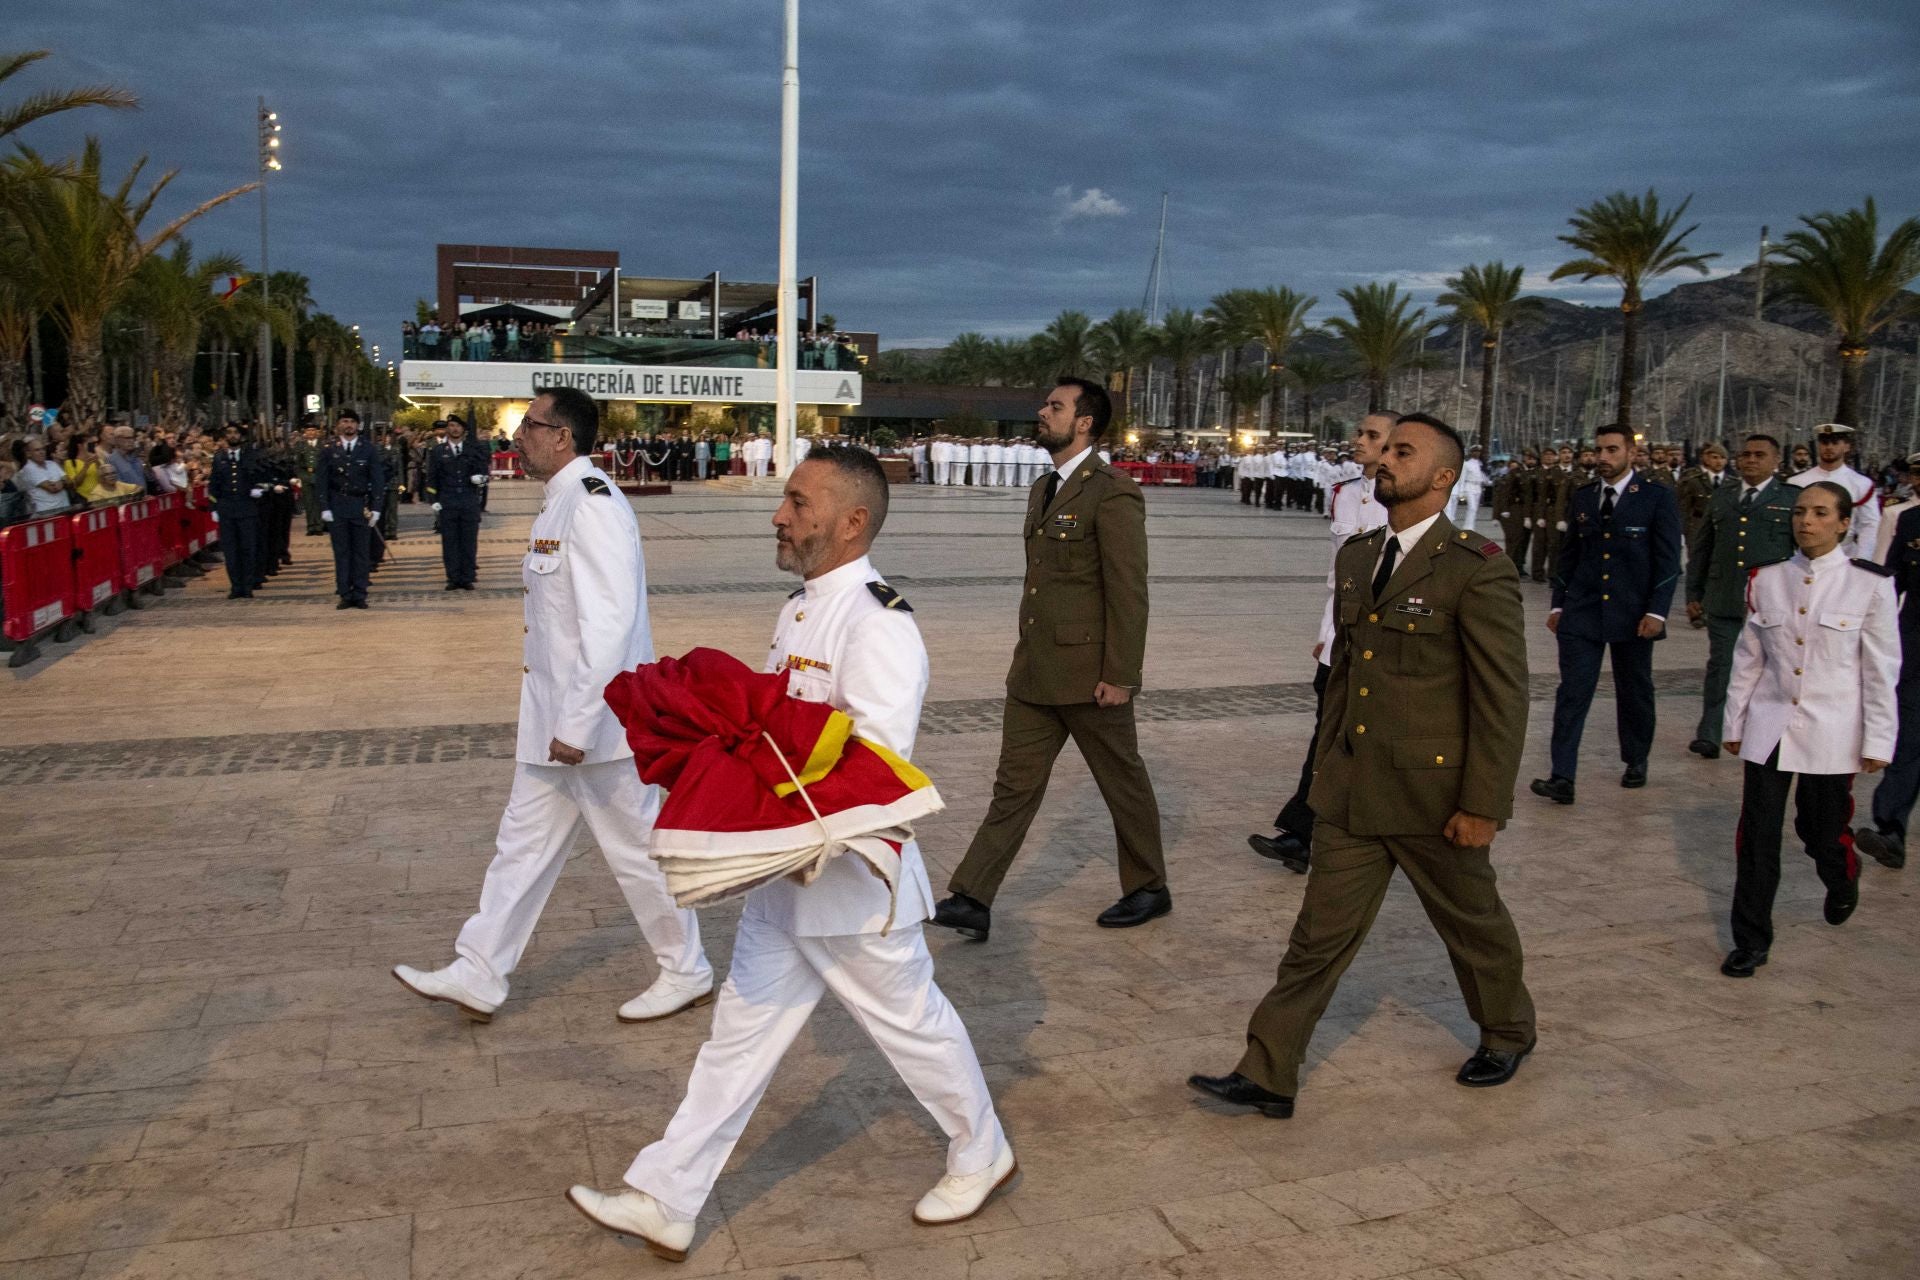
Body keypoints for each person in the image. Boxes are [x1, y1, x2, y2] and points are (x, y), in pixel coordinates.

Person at [568, 446, 1013, 1259]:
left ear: (851, 523)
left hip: (848, 890)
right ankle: (666, 1196)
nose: (781, 515)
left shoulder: (879, 622)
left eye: (800, 503)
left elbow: (874, 766)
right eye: (785, 500)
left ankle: (982, 1150)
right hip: (784, 883)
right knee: (736, 1038)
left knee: (914, 1028)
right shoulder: (803, 607)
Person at [1190, 413, 1536, 1118]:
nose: (1384, 459)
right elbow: (1345, 681)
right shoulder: (1358, 555)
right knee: (1315, 939)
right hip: (1352, 794)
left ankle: (1507, 1031)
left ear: (1443, 477)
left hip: (1433, 796)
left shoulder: (1475, 569)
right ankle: (1269, 1072)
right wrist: (1324, 775)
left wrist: (1484, 805)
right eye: (1384, 447)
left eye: (1403, 452)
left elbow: (1503, 699)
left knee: (1473, 925)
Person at [394, 387, 712, 1025]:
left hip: (596, 725)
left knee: (638, 851)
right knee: (522, 845)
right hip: (553, 720)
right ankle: (480, 969)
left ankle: (687, 969)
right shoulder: (559, 502)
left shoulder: (592, 506)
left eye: (530, 426)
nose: (519, 436)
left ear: (562, 435)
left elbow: (609, 625)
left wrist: (576, 724)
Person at [931, 377, 1168, 940]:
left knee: (1122, 783)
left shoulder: (1112, 492)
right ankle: (973, 896)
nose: (1042, 412)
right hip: (1036, 671)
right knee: (1013, 786)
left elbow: (1128, 590)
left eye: (1054, 406)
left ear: (1084, 422)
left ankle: (1149, 886)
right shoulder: (1044, 488)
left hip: (1091, 678)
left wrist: (1120, 675)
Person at [1719, 481, 1896, 977]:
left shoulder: (1870, 584)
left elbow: (1881, 671)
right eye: (1800, 512)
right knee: (1757, 837)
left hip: (1833, 731)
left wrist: (1879, 740)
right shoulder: (1767, 579)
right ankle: (1751, 940)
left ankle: (1842, 873)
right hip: (1770, 726)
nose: (1806, 521)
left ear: (1843, 523)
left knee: (1819, 829)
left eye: (1820, 513)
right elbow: (1748, 660)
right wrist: (1734, 722)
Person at [1248, 411, 1392, 874]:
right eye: (1360, 432)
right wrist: (1325, 635)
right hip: (1340, 640)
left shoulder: (1408, 500)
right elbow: (1340, 576)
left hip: (1383, 644)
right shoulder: (1346, 493)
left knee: (1366, 742)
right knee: (1326, 734)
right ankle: (1303, 835)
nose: (1359, 440)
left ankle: (1332, 835)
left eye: (1372, 435)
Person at [1530, 424, 1682, 804]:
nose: (1603, 458)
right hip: (1583, 611)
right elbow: (1569, 555)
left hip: (1634, 613)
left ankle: (1635, 759)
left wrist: (1657, 613)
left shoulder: (1655, 497)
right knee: (1572, 693)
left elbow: (1667, 562)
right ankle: (1562, 775)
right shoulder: (1584, 497)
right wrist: (1559, 603)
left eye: (1612, 450)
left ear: (1631, 453)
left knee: (1635, 692)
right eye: (1599, 450)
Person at [1684, 434, 1799, 760]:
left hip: (1773, 603)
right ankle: (1710, 733)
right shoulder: (1722, 497)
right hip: (1725, 597)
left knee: (1777, 668)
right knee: (1721, 666)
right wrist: (1694, 592)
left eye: (1759, 455)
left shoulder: (1791, 499)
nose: (1750, 460)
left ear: (1776, 461)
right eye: (1745, 454)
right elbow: (1702, 548)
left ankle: (1771, 732)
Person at [1857, 489, 1920, 871]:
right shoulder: (1911, 521)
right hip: (1915, 646)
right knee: (1908, 738)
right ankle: (1891, 831)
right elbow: (1890, 584)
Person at [316, 409, 385, 610]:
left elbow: (377, 480)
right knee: (342, 552)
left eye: (352, 422)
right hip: (337, 505)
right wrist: (324, 507)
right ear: (338, 425)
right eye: (344, 421)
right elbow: (322, 480)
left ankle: (360, 593)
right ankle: (345, 593)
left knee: (361, 553)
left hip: (359, 505)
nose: (348, 425)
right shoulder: (329, 449)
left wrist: (377, 508)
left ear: (358, 425)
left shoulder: (368, 449)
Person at [1789, 423, 1879, 560]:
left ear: (1846, 446)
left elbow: (1870, 525)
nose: (1829, 447)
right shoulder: (1796, 482)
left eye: (1835, 442)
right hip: (1803, 555)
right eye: (1824, 442)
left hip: (1845, 555)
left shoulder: (1861, 483)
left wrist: (1862, 559)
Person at [427, 413, 489, 590]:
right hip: (448, 502)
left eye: (457, 426)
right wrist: (433, 500)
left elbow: (484, 473)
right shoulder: (439, 451)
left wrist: (481, 479)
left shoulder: (472, 449)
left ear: (463, 429)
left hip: (469, 502)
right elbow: (432, 478)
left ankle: (467, 577)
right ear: (447, 429)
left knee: (469, 542)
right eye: (451, 426)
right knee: (450, 542)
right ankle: (453, 577)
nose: (454, 429)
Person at [208, 425, 265, 599]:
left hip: (247, 508)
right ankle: (235, 586)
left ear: (241, 436)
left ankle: (247, 586)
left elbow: (261, 477)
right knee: (231, 550)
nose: (233, 436)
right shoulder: (219, 458)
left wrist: (257, 488)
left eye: (236, 433)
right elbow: (214, 485)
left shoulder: (250, 456)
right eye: (229, 433)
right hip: (227, 510)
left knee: (247, 548)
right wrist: (214, 508)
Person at [16, 435, 72, 516]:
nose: (42, 452)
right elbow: (53, 488)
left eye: (43, 449)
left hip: (65, 510)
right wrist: (63, 482)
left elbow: (70, 483)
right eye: (37, 450)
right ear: (28, 453)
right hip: (46, 514)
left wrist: (61, 483)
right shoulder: (28, 469)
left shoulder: (52, 464)